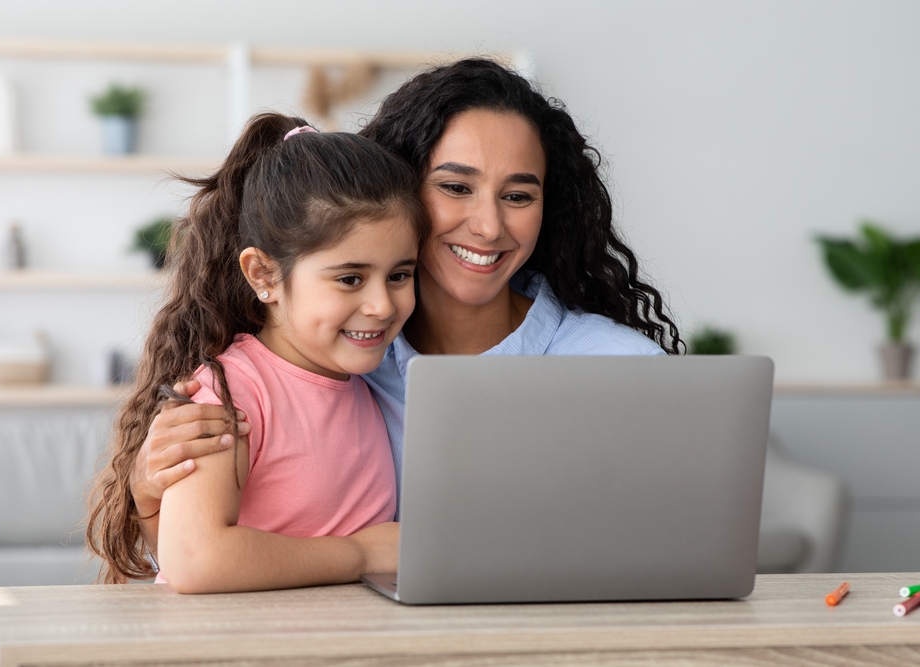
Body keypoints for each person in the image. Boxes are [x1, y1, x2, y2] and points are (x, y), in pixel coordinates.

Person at [110, 58, 684, 577]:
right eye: (456, 186)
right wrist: (149, 498)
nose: (488, 226)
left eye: (518, 196)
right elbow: (197, 561)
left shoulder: (621, 367)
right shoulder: (352, 365)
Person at [86, 113, 429, 591]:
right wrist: (361, 552)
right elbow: (194, 559)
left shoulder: (364, 383)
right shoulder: (235, 395)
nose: (381, 305)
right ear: (264, 275)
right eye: (350, 278)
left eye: (399, 275)